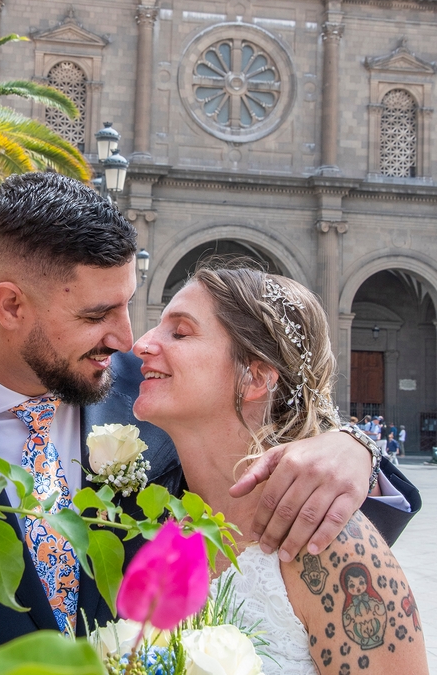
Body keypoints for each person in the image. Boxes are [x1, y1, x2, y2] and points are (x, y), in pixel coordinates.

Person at [0, 174, 420, 649]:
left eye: (129, 303)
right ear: (11, 305)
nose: (127, 338)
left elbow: (275, 449)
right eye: (98, 314)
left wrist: (354, 446)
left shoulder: (153, 396)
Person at [133, 265, 427, 675]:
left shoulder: (328, 540)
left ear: (254, 377)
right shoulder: (142, 514)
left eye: (180, 332)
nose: (141, 344)